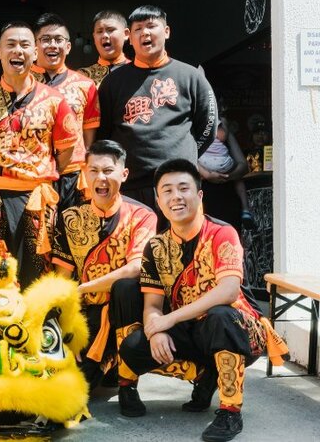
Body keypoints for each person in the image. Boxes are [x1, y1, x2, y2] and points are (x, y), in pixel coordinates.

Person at [117, 159, 286, 442]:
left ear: (199, 195)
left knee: (220, 315)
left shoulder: (222, 233)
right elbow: (152, 306)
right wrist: (155, 328)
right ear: (158, 200)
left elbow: (229, 291)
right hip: (191, 329)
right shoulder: (156, 246)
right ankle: (205, 375)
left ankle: (230, 411)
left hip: (239, 329)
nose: (176, 197)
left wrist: (168, 320)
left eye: (184, 188)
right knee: (133, 347)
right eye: (167, 190)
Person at [0, 21, 78, 288]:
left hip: (36, 197)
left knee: (36, 270)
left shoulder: (55, 100)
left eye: (25, 45)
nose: (18, 51)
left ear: (35, 52)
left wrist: (38, 174)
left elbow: (66, 149)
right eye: (11, 44)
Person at [51, 140, 157, 391]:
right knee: (67, 376)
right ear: (84, 174)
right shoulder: (70, 218)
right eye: (94, 171)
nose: (101, 178)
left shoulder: (142, 216)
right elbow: (63, 279)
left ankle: (127, 383)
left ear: (124, 173)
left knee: (125, 288)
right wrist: (67, 327)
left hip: (127, 312)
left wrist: (83, 288)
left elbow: (135, 268)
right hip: (86, 312)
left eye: (108, 171)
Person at [97, 5, 217, 211]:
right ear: (129, 36)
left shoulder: (191, 76)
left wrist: (184, 153)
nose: (145, 33)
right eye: (138, 28)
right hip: (131, 186)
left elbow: (208, 125)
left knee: (180, 242)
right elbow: (103, 132)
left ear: (167, 31)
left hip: (179, 184)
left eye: (152, 26)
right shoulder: (113, 82)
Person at [31, 13, 100, 211]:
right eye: (45, 40)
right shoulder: (23, 84)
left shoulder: (85, 85)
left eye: (58, 40)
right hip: (34, 173)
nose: (52, 45)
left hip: (72, 174)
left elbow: (89, 134)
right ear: (35, 47)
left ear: (68, 47)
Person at [197, 115, 254, 229]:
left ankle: (245, 210)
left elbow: (243, 167)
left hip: (227, 194)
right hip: (203, 195)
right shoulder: (192, 130)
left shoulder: (224, 132)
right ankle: (245, 209)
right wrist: (208, 175)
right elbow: (185, 159)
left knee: (228, 237)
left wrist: (227, 176)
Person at [80, 10, 131, 87]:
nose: (104, 35)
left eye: (110, 30)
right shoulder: (81, 77)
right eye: (99, 31)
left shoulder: (139, 72)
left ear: (126, 34)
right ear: (94, 37)